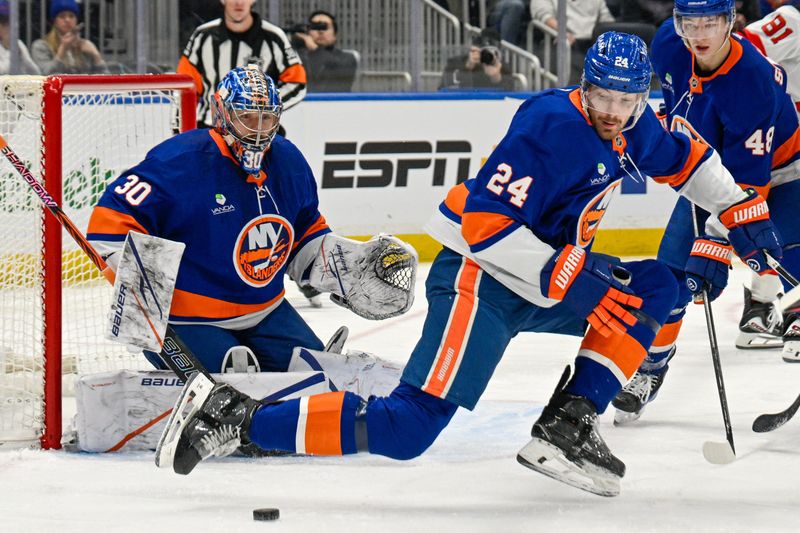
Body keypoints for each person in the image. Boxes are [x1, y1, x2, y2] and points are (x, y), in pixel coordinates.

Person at [155, 33, 782, 497]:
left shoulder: (630, 124)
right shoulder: (550, 129)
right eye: (602, 95)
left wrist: (740, 211)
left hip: (544, 279)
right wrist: (579, 281)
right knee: (407, 430)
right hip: (477, 282)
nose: (614, 110)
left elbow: (687, 161)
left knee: (655, 287)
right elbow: (484, 228)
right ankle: (240, 420)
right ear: (582, 85)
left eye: (626, 98)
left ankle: (568, 424)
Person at [86, 66, 415, 376]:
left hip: (264, 310)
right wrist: (137, 287)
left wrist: (346, 267)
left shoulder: (288, 160)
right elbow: (110, 218)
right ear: (222, 114)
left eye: (266, 118)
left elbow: (304, 227)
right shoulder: (181, 161)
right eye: (246, 118)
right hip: (188, 320)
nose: (258, 130)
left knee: (315, 379)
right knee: (230, 399)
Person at [612, 0, 800, 425]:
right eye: (688, 22)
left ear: (730, 22)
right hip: (707, 172)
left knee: (788, 260)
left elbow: (748, 189)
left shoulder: (750, 80)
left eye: (710, 23)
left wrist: (714, 242)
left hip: (785, 175)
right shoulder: (667, 43)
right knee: (667, 278)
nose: (698, 34)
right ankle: (650, 367)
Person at [177, 0, 307, 128]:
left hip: (258, 133)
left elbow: (297, 83)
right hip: (209, 129)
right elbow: (185, 86)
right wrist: (179, 130)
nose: (238, 2)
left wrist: (263, 108)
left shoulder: (274, 37)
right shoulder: (202, 36)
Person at [530, 0, 616, 82]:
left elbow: (607, 20)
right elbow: (544, 15)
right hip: (561, 43)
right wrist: (562, 32)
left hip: (592, 44)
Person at [30, 0, 107, 75]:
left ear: (76, 20)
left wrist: (96, 55)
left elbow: (105, 79)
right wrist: (62, 49)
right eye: (62, 16)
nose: (67, 20)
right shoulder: (41, 46)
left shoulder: (85, 45)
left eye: (71, 16)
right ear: (54, 21)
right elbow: (44, 75)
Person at [292, 10, 357, 93]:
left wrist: (314, 48)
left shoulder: (347, 58)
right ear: (308, 32)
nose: (320, 31)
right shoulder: (297, 57)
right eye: (315, 27)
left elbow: (337, 86)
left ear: (335, 35)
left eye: (325, 27)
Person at [440, 28, 515, 90]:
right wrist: (467, 67)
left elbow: (510, 95)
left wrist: (496, 78)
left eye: (492, 51)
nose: (486, 55)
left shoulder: (502, 67)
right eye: (483, 50)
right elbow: (444, 89)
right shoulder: (455, 63)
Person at [0, 1, 40, 75]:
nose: (6, 27)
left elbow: (36, 72)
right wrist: (12, 52)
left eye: (8, 22)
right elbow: (2, 73)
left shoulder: (18, 43)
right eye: (3, 23)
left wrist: (21, 54)